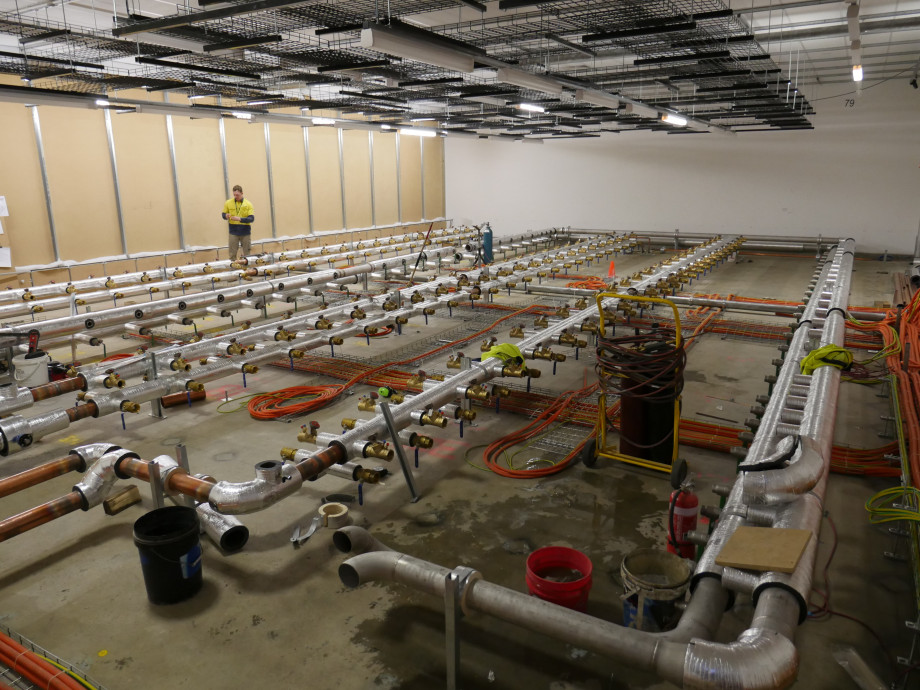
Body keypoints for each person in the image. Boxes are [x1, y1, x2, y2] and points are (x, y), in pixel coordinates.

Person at [221, 185, 254, 261]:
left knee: (247, 254)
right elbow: (223, 215)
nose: (236, 196)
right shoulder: (228, 203)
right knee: (232, 254)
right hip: (233, 232)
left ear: (242, 193)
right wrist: (226, 215)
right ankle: (233, 271)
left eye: (237, 195)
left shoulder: (248, 204)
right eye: (234, 195)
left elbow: (251, 219)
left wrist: (239, 219)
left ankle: (247, 271)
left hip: (245, 232)